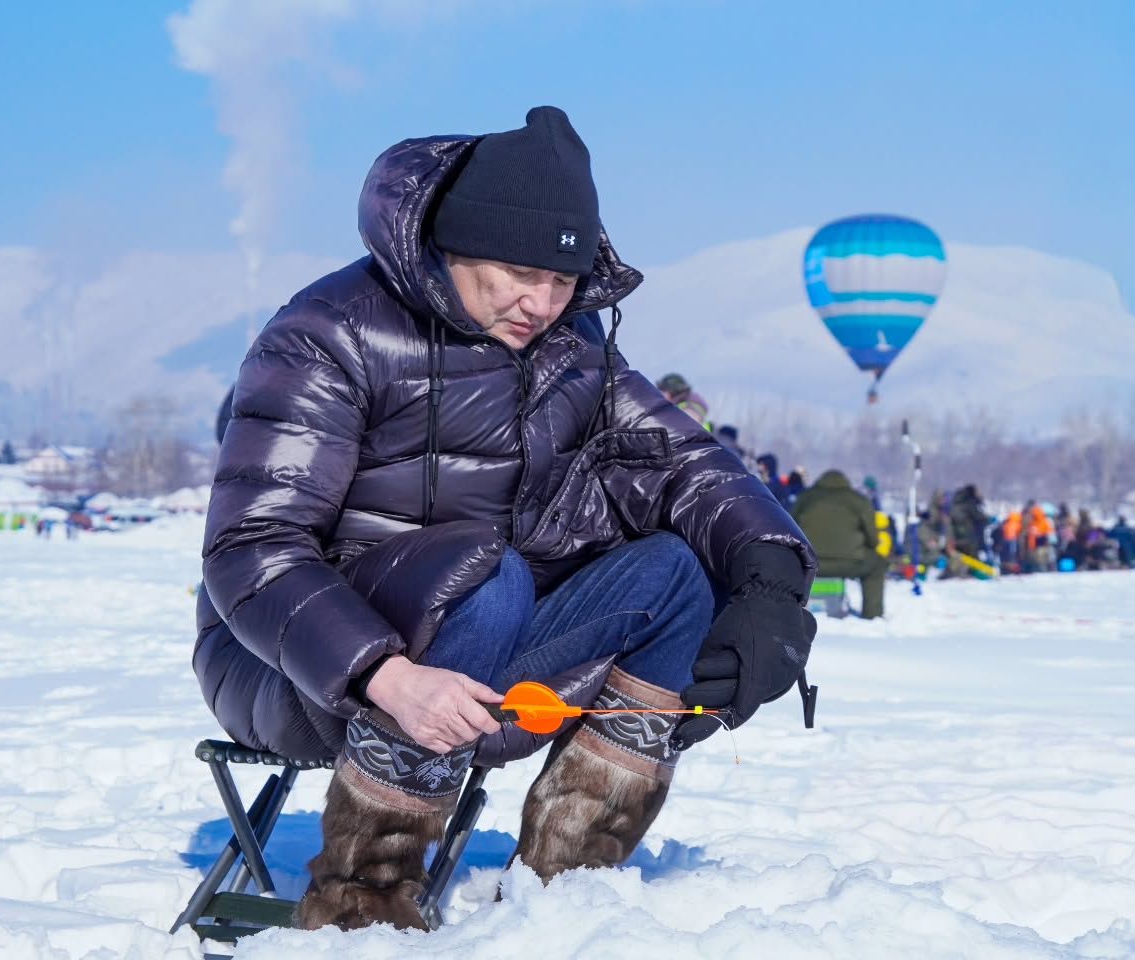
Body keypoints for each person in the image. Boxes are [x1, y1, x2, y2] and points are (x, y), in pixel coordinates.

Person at [195, 106, 817, 932]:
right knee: (487, 574)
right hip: (302, 663)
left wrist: (773, 584)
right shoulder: (327, 334)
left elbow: (686, 463)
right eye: (518, 273)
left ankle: (567, 885)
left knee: (673, 569)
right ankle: (362, 897)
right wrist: (387, 675)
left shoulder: (574, 344)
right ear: (453, 246)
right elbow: (251, 548)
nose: (542, 302)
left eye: (562, 280)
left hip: (489, 647)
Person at [790, 470, 884, 618]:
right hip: (850, 563)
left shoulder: (805, 498)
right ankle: (872, 615)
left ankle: (788, 609)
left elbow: (789, 529)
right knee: (877, 563)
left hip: (808, 562)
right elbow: (873, 541)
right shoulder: (859, 500)